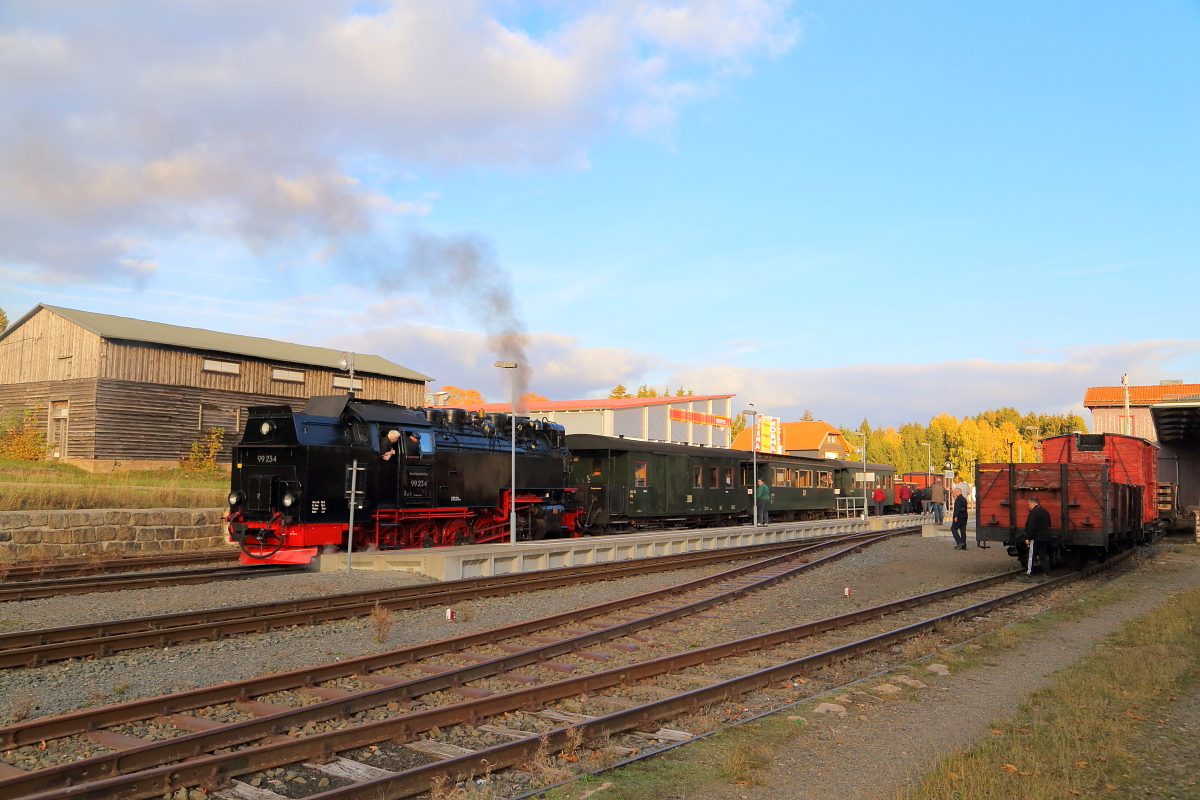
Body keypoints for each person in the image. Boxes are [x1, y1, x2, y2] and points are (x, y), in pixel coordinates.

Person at [1023, 496, 1051, 567]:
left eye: (1029, 504)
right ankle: (1046, 573)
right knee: (1043, 556)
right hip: (1045, 538)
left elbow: (1031, 526)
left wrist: (1028, 537)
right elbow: (1049, 524)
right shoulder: (1046, 512)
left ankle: (1029, 572)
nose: (1029, 506)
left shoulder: (1033, 513)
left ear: (1032, 503)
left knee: (1031, 556)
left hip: (1035, 538)